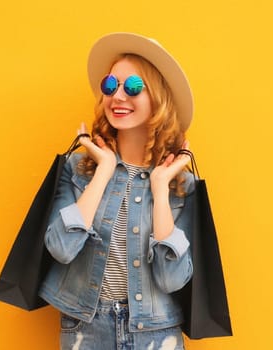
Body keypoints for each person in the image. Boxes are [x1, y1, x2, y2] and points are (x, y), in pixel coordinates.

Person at [39, 32, 196, 350]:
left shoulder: (180, 184)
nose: (118, 96)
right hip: (85, 329)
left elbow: (172, 279)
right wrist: (105, 171)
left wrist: (160, 188)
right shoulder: (78, 170)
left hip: (156, 333)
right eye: (111, 86)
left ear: (158, 100)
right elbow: (61, 247)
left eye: (133, 87)